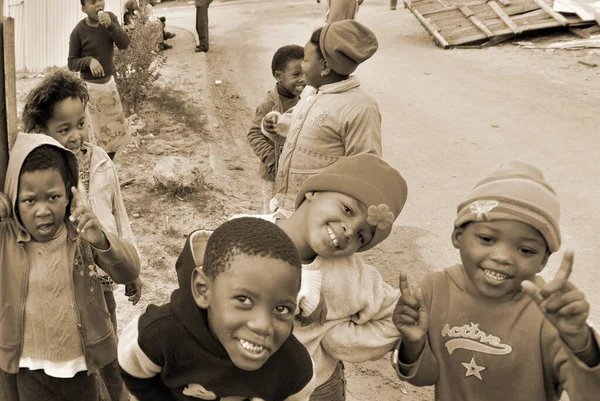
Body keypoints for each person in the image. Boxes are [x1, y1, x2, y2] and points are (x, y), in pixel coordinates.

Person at [391, 160, 600, 401]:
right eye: (487, 239)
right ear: (458, 236)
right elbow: (424, 377)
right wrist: (413, 343)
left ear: (543, 261)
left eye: (526, 250)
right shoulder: (435, 290)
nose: (503, 258)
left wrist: (582, 344)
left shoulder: (550, 315)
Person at [230, 154, 408, 400]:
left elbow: (396, 316)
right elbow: (210, 273)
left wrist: (337, 339)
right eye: (347, 209)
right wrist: (296, 287)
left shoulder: (351, 273)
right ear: (314, 191)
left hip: (317, 388)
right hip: (238, 382)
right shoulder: (244, 230)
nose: (349, 230)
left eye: (361, 237)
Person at [21, 69, 144, 401]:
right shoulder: (41, 177)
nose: (76, 135)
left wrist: (131, 263)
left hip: (105, 272)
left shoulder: (102, 161)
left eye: (81, 124)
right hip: (71, 284)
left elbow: (120, 216)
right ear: (40, 131)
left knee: (108, 349)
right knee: (82, 357)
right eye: (63, 129)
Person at [0, 133, 140, 401]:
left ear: (69, 193)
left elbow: (130, 270)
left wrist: (101, 240)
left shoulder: (81, 232)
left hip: (83, 368)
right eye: (30, 200)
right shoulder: (7, 239)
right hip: (31, 370)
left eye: (53, 197)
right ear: (16, 200)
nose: (42, 210)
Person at [118, 217, 316, 400]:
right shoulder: (158, 335)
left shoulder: (295, 369)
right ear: (203, 290)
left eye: (281, 309)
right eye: (243, 299)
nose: (263, 326)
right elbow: (133, 373)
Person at [268, 20, 381, 215]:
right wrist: (275, 125)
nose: (302, 66)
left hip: (321, 217)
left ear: (325, 66)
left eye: (305, 59)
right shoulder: (311, 95)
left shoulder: (360, 107)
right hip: (286, 207)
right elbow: (299, 132)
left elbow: (365, 170)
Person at [68, 0, 131, 160]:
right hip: (91, 91)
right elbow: (72, 63)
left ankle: (108, 165)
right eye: (92, 2)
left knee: (114, 135)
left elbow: (124, 44)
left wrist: (111, 26)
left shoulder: (110, 19)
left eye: (100, 0)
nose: (98, 5)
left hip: (109, 87)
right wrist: (88, 61)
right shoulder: (78, 32)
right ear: (83, 9)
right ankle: (97, 167)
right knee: (96, 137)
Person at [247, 45, 305, 213]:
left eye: (304, 73)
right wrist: (273, 160)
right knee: (273, 216)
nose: (302, 79)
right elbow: (254, 134)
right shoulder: (268, 104)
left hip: (295, 175)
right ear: (278, 76)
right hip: (274, 177)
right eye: (296, 75)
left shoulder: (304, 101)